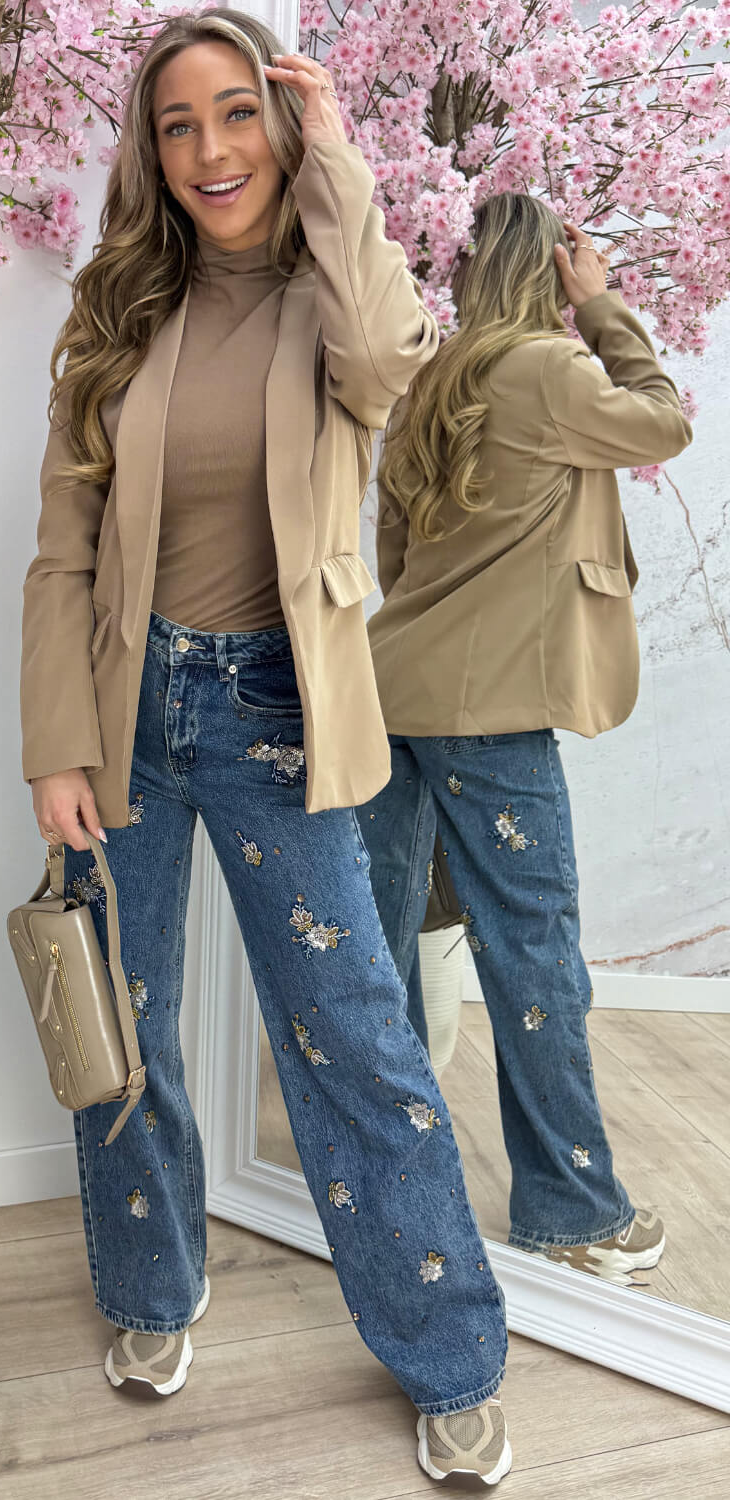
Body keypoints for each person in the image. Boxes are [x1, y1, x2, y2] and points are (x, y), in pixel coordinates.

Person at [20, 8, 512, 1485]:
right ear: (151, 151)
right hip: (126, 710)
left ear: (283, 128)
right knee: (125, 1025)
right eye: (178, 124)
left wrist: (342, 164)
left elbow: (392, 362)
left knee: (354, 1038)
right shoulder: (117, 312)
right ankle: (151, 1289)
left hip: (275, 720)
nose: (210, 149)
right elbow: (61, 550)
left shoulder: (331, 297)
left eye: (238, 112)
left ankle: (447, 1352)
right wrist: (56, 744)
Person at [360, 193, 693, 1285]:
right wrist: (602, 309)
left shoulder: (428, 380)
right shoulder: (549, 368)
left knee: (381, 952)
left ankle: (392, 1202)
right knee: (533, 955)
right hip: (489, 716)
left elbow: (396, 557)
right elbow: (664, 423)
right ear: (551, 270)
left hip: (395, 696)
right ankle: (572, 1213)